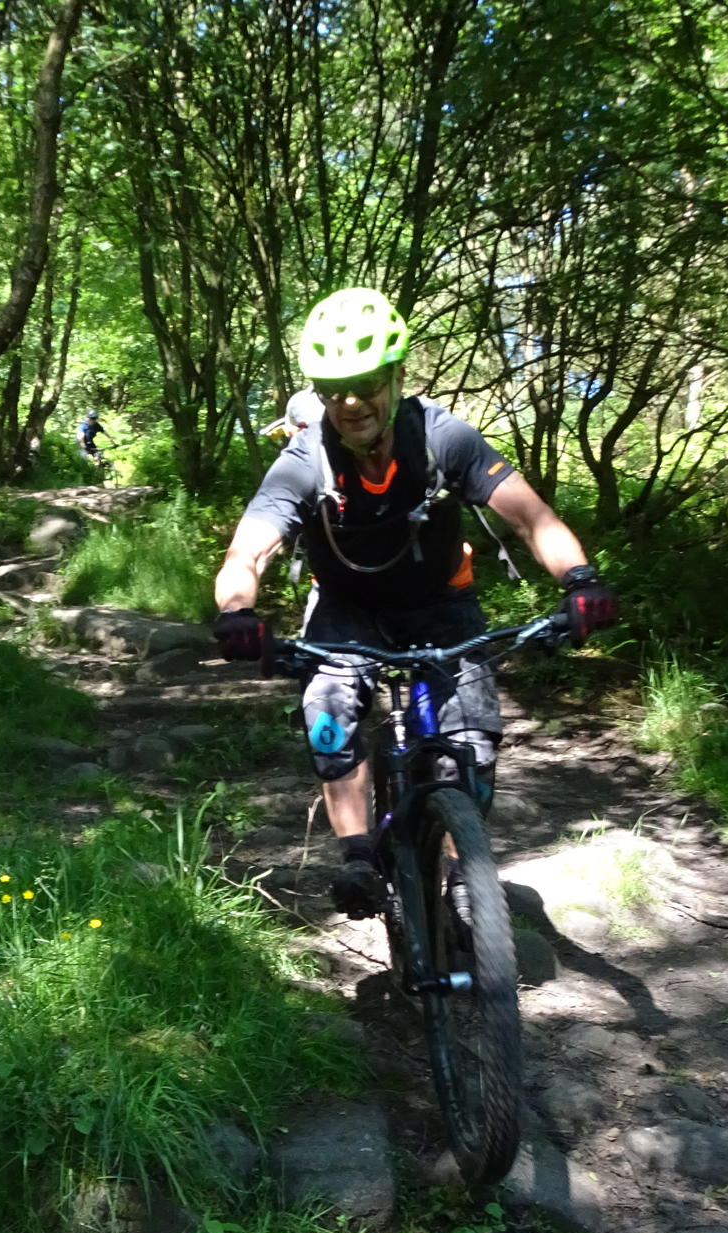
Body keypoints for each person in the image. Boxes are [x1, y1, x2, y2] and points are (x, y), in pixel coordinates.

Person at [211, 286, 619, 918]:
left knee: (472, 741)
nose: (351, 402)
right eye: (333, 389)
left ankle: (463, 875)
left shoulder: (443, 438)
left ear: (396, 378)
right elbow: (249, 552)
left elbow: (532, 518)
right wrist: (237, 612)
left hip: (441, 604)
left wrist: (581, 581)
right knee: (329, 715)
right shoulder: (303, 459)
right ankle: (357, 861)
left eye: (366, 384)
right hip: (346, 610)